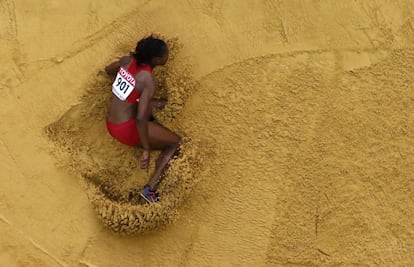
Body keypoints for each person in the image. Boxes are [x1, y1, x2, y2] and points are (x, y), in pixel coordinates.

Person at [104, 35, 181, 203]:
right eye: (165, 54)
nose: (168, 55)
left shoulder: (126, 61)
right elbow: (140, 118)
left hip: (111, 123)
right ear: (156, 59)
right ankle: (150, 189)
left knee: (159, 104)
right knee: (175, 143)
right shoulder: (147, 80)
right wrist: (146, 150)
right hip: (126, 128)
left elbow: (108, 69)